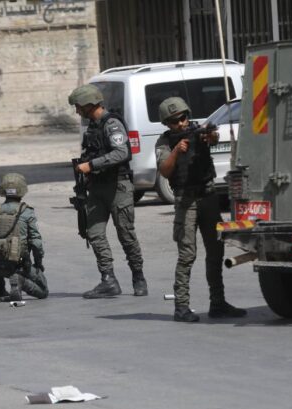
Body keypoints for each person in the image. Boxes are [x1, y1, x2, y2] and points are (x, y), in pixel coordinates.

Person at [155, 97, 247, 322]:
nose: (181, 124)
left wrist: (211, 136)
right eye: (175, 121)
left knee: (216, 252)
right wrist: (177, 151)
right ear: (167, 123)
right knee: (187, 255)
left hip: (208, 197)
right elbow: (165, 171)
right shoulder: (164, 142)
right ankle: (181, 307)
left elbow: (212, 138)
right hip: (185, 200)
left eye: (183, 118)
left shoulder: (199, 131)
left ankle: (218, 303)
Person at [67, 84, 148, 298]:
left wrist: (91, 165)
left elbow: (122, 153)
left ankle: (138, 276)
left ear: (88, 104)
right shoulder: (93, 126)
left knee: (126, 234)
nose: (77, 111)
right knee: (94, 233)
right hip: (96, 187)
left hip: (117, 186)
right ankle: (108, 279)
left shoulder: (111, 124)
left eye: (78, 106)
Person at [0, 173, 48, 301]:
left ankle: (0, 289)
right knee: (43, 291)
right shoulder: (26, 212)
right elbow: (36, 243)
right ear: (22, 191)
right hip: (18, 265)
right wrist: (38, 263)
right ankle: (20, 282)